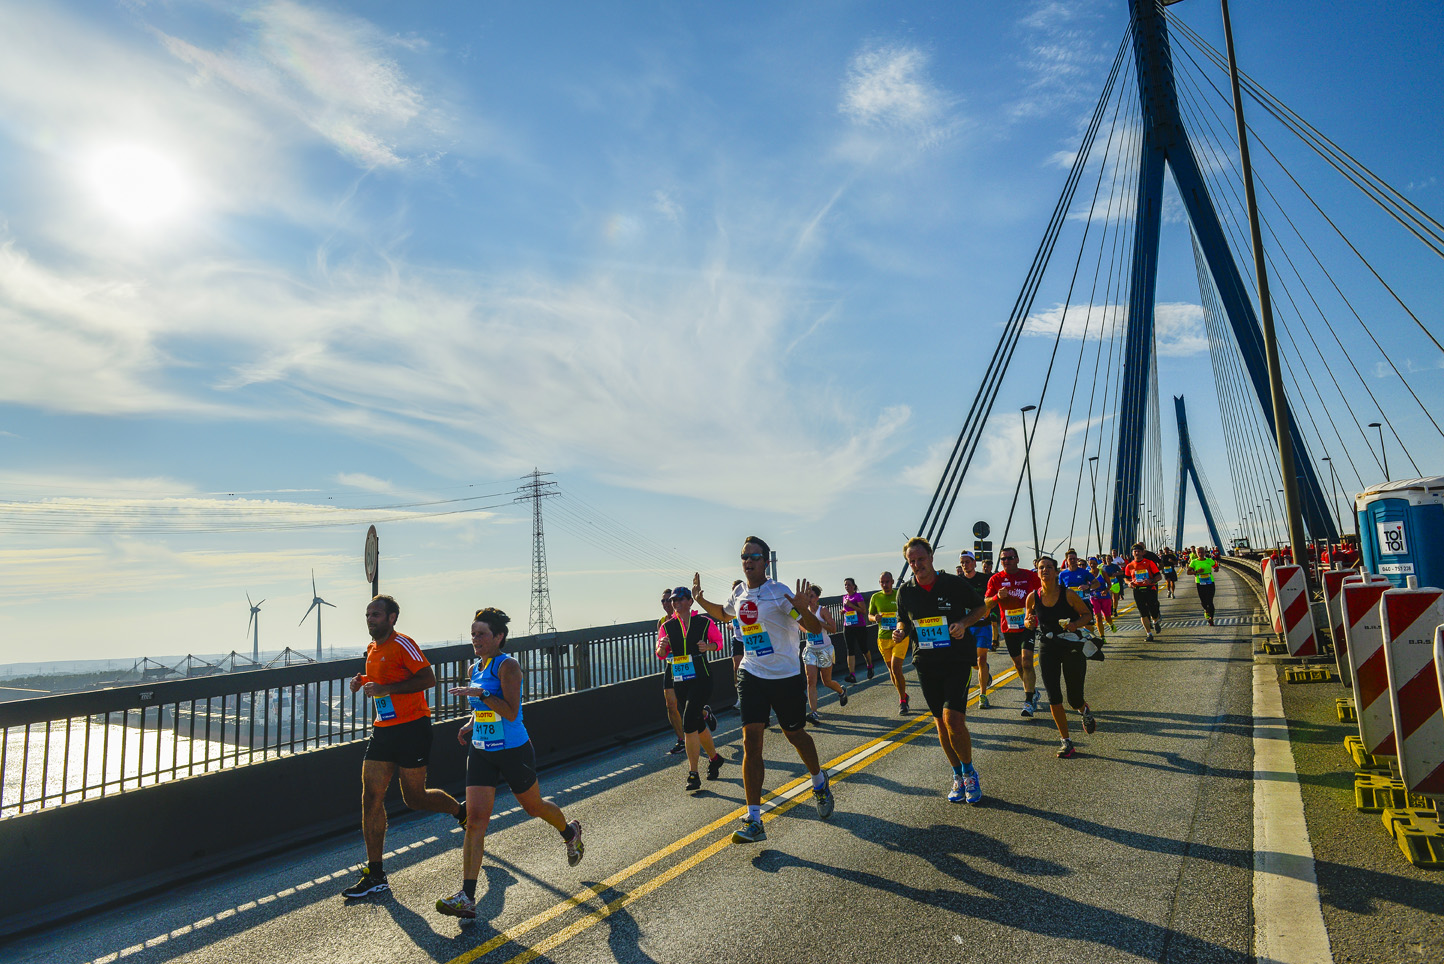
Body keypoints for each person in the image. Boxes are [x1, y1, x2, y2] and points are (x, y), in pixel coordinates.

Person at [435, 608, 584, 919]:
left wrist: (482, 695)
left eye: (482, 634)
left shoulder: (508, 666)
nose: (475, 639)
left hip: (513, 750)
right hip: (481, 751)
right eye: (473, 633)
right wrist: (470, 723)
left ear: (498, 637)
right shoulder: (476, 667)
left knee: (533, 807)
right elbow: (484, 708)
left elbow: (512, 712)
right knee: (475, 821)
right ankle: (467, 896)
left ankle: (569, 832)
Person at [692, 537, 834, 843]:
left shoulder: (779, 593)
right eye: (744, 557)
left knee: (794, 734)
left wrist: (802, 609)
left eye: (754, 556)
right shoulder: (739, 593)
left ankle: (819, 781)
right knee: (751, 740)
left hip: (784, 677)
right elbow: (724, 613)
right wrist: (700, 600)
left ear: (765, 562)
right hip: (752, 672)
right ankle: (755, 820)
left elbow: (812, 628)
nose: (748, 561)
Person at [343, 596, 467, 899]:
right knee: (370, 796)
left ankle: (460, 811)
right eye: (368, 614)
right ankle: (376, 874)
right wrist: (363, 680)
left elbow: (428, 678)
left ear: (392, 618)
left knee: (415, 798)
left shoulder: (403, 643)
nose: (370, 619)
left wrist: (387, 688)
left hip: (412, 728)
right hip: (383, 731)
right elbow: (382, 677)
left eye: (376, 615)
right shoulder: (372, 649)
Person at [894, 537, 987, 803]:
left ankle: (969, 772)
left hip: (957, 659)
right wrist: (901, 630)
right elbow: (903, 618)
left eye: (920, 559)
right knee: (940, 725)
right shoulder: (906, 591)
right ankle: (957, 774)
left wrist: (963, 623)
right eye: (911, 561)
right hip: (926, 662)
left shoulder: (953, 583)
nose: (916, 565)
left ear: (931, 557)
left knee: (953, 720)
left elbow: (981, 607)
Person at [1026, 557, 1098, 759]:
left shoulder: (1068, 594)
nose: (1045, 570)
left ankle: (1083, 710)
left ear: (1057, 571)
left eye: (1049, 567)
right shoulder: (1033, 597)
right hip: (1048, 647)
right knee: (1053, 696)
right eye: (1041, 568)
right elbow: (1027, 620)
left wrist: (1075, 624)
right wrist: (1029, 622)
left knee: (1074, 698)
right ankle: (1066, 741)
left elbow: (1087, 615)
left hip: (1071, 645)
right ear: (1037, 572)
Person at [656, 587, 727, 790]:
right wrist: (662, 648)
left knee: (688, 722)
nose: (675, 603)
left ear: (690, 601)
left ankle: (693, 774)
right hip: (680, 678)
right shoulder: (667, 627)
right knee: (696, 721)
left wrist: (708, 647)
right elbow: (661, 653)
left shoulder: (704, 622)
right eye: (672, 600)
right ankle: (714, 759)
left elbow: (719, 642)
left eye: (679, 599)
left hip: (702, 676)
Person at [985, 548, 1042, 718]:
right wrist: (996, 597)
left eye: (1010, 558)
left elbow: (1042, 595)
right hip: (1008, 628)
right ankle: (1032, 691)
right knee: (1018, 665)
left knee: (1026, 662)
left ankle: (1029, 700)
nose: (1006, 561)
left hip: (1027, 626)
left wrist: (1036, 614)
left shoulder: (1029, 576)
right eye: (1003, 559)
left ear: (1017, 559)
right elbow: (986, 603)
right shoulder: (995, 579)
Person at [801, 583, 847, 724]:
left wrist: (818, 624)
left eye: (812, 596)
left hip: (825, 649)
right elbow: (803, 628)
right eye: (807, 596)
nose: (809, 599)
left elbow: (833, 629)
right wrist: (808, 626)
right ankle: (814, 712)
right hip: (810, 649)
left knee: (826, 681)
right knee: (811, 681)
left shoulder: (823, 610)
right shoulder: (804, 611)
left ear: (817, 598)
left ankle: (841, 691)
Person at [868, 570, 911, 714]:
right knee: (892, 671)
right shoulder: (876, 597)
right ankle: (903, 694)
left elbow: (907, 614)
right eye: (882, 582)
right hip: (883, 638)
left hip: (899, 637)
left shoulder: (899, 594)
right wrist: (875, 618)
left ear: (892, 582)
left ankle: (902, 702)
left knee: (896, 667)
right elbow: (869, 615)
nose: (885, 585)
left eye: (887, 582)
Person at [958, 553, 995, 709]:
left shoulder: (984, 579)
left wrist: (988, 607)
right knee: (973, 662)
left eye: (967, 562)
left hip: (983, 625)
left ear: (974, 563)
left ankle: (983, 695)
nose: (965, 565)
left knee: (981, 659)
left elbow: (993, 597)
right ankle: (985, 672)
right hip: (967, 626)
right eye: (962, 563)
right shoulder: (958, 582)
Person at [657, 589, 687, 755]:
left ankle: (705, 712)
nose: (666, 604)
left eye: (669, 600)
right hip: (671, 664)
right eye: (663, 601)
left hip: (686, 664)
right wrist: (661, 647)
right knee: (670, 704)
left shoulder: (683, 618)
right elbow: (659, 646)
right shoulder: (662, 621)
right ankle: (681, 739)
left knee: (688, 702)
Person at [839, 577, 875, 683]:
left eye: (849, 585)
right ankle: (852, 675)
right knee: (850, 650)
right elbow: (847, 609)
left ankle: (869, 665)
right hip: (848, 626)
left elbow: (863, 611)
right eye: (845, 585)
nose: (847, 587)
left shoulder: (858, 596)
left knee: (863, 648)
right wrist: (843, 611)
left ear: (854, 586)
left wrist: (851, 605)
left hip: (859, 626)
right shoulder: (844, 597)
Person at [1125, 543, 1163, 641]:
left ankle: (1155, 621)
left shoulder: (1150, 563)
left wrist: (1151, 581)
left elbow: (1159, 576)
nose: (1137, 553)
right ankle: (1149, 634)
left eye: (1138, 551)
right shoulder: (1129, 566)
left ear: (1142, 552)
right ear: (1132, 553)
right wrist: (1129, 583)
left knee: (1153, 611)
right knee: (1143, 613)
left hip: (1150, 589)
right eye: (1135, 551)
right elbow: (1126, 578)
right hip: (1138, 590)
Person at [1085, 557, 1116, 636]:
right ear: (1088, 564)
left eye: (1094, 563)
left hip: (1104, 596)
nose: (1092, 565)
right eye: (1090, 563)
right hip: (1093, 597)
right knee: (1098, 617)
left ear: (1097, 564)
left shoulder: (1102, 572)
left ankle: (1111, 624)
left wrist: (1106, 590)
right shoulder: (1087, 574)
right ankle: (1102, 636)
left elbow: (1109, 584)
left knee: (1107, 617)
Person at [1188, 547, 1219, 626]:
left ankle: (1211, 618)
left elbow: (1216, 565)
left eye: (1202, 552)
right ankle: (1206, 610)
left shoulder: (1209, 560)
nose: (1201, 554)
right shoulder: (1194, 562)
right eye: (1199, 552)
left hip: (1210, 582)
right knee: (1203, 602)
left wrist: (1216, 568)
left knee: (1210, 601)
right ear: (1197, 553)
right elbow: (1188, 572)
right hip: (1200, 583)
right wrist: (1196, 572)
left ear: (1205, 553)